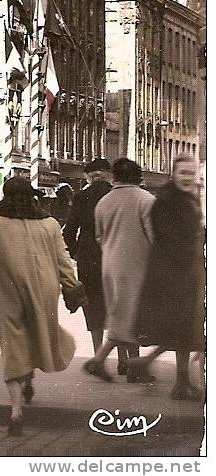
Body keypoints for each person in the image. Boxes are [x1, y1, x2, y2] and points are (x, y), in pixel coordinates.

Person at [0, 176, 82, 436]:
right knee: (37, 334)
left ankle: (16, 410)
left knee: (12, 342)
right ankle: (29, 376)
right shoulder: (50, 224)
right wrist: (71, 288)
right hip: (45, 290)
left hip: (9, 289)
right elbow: (64, 260)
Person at [129, 156, 205, 401]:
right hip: (173, 275)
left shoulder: (185, 198)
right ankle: (154, 366)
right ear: (173, 173)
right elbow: (168, 238)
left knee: (185, 330)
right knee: (183, 329)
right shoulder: (166, 200)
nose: (187, 178)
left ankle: (179, 382)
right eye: (183, 173)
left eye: (191, 173)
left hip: (185, 273)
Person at [84, 157, 155, 384]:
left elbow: (99, 236)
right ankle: (129, 365)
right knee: (132, 316)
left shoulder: (103, 202)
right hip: (138, 266)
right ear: (138, 176)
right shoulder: (147, 200)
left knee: (120, 314)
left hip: (110, 265)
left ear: (114, 177)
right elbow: (154, 236)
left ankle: (111, 361)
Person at [63, 159, 117, 359]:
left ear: (88, 176)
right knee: (116, 307)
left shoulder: (81, 197)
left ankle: (97, 355)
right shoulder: (115, 195)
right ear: (108, 175)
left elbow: (69, 231)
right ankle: (122, 358)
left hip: (89, 259)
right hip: (114, 256)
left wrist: (76, 253)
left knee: (93, 307)